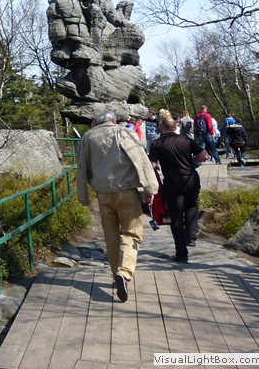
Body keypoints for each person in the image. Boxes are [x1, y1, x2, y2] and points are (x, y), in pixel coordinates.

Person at [77, 110, 159, 302]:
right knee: (131, 233)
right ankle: (124, 273)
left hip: (103, 194)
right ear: (114, 121)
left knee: (111, 237)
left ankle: (116, 275)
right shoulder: (124, 132)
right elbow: (141, 160)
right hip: (126, 192)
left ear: (96, 122)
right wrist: (150, 188)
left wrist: (83, 196)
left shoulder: (88, 137)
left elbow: (82, 167)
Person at [148, 115, 209, 262]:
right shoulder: (186, 140)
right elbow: (204, 156)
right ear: (175, 126)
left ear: (161, 128)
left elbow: (152, 165)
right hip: (191, 178)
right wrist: (191, 160)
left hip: (173, 181)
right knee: (192, 206)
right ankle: (191, 237)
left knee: (176, 216)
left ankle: (181, 254)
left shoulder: (156, 144)